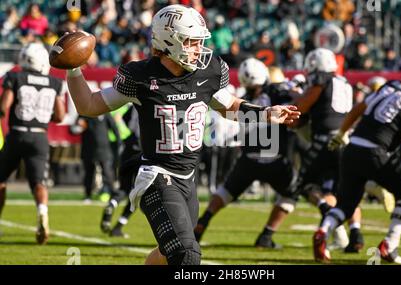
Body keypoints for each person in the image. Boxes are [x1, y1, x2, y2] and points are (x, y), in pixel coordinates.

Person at [62, 4, 299, 265]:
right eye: (191, 41)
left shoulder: (209, 71)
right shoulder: (140, 76)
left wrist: (266, 113)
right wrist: (74, 70)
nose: (199, 49)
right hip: (157, 177)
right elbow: (89, 105)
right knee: (187, 255)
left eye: (200, 41)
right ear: (168, 40)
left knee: (168, 253)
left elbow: (229, 106)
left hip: (188, 179)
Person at [315, 59, 401, 264]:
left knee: (346, 204)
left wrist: (341, 133)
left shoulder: (389, 87)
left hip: (352, 148)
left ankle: (323, 231)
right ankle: (390, 245)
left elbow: (358, 108)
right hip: (375, 152)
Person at [194, 58, 300, 249]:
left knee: (226, 192)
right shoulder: (276, 92)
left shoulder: (244, 96)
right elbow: (294, 108)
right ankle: (266, 236)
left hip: (248, 159)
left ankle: (204, 221)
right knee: (291, 194)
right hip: (274, 158)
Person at [291, 48, 361, 252]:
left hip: (325, 141)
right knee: (346, 191)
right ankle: (356, 233)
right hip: (344, 141)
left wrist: (294, 99)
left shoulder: (322, 80)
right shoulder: (345, 83)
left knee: (303, 185)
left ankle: (326, 210)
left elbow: (301, 107)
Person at [0, 43, 66, 244]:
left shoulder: (16, 77)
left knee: (1, 179)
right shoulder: (54, 82)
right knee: (38, 182)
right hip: (39, 136)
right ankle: (43, 213)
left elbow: (4, 108)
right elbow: (60, 115)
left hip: (17, 134)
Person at [101, 106, 141, 237]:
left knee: (124, 188)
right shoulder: (159, 102)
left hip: (129, 147)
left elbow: (125, 118)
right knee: (137, 194)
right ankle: (118, 227)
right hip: (144, 150)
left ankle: (112, 204)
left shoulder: (136, 104)